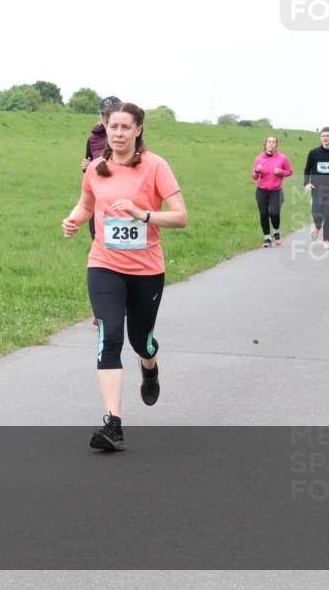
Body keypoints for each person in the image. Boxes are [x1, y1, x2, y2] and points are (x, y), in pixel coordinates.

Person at [61, 102, 188, 451]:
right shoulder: (97, 168)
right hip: (104, 264)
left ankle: (150, 367)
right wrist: (73, 219)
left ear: (138, 130)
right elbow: (86, 204)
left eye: (124, 128)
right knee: (109, 335)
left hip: (146, 269)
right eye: (112, 127)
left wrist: (142, 214)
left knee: (140, 340)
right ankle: (112, 423)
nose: (117, 134)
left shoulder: (156, 166)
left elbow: (180, 217)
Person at [80, 95, 121, 240]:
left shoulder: (126, 136)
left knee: (122, 246)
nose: (108, 117)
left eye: (112, 113)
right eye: (105, 114)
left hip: (121, 197)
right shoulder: (93, 139)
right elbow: (89, 166)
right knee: (97, 240)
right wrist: (86, 167)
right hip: (98, 198)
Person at [251, 135, 292, 247]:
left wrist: (280, 172)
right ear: (265, 144)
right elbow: (254, 176)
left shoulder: (282, 158)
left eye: (273, 142)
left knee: (274, 213)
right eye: (269, 142)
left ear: (276, 145)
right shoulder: (259, 158)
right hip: (261, 191)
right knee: (263, 214)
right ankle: (267, 238)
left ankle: (276, 232)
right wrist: (257, 170)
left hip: (276, 191)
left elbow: (289, 171)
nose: (271, 144)